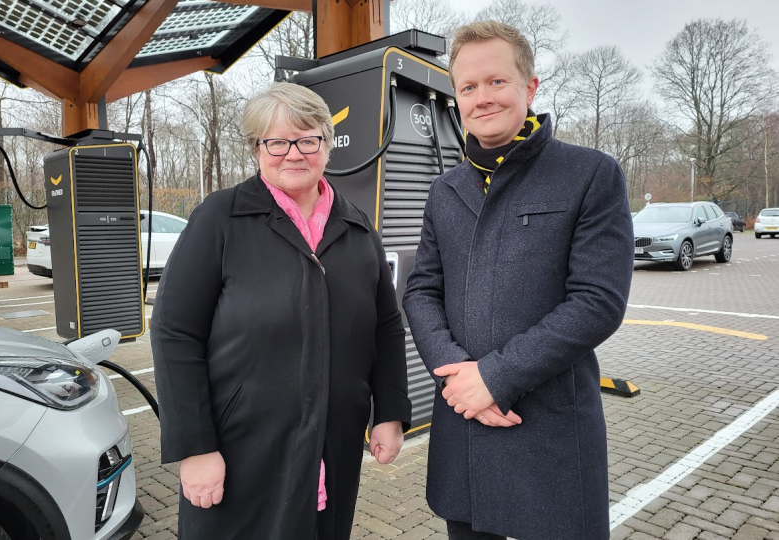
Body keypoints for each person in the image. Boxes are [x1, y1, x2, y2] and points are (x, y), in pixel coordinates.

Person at [402, 21, 634, 540]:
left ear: (529, 87)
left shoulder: (590, 174)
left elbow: (597, 301)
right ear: (455, 97)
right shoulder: (445, 191)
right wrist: (459, 377)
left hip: (548, 435)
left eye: (497, 82)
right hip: (464, 429)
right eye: (468, 87)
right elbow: (421, 291)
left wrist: (495, 379)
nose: (482, 98)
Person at [151, 82, 411, 540]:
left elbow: (386, 328)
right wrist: (195, 448)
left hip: (335, 445)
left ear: (327, 145)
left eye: (308, 139)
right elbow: (175, 332)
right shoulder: (220, 218)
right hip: (239, 450)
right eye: (277, 141)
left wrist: (388, 411)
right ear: (257, 148)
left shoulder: (357, 227)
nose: (294, 153)